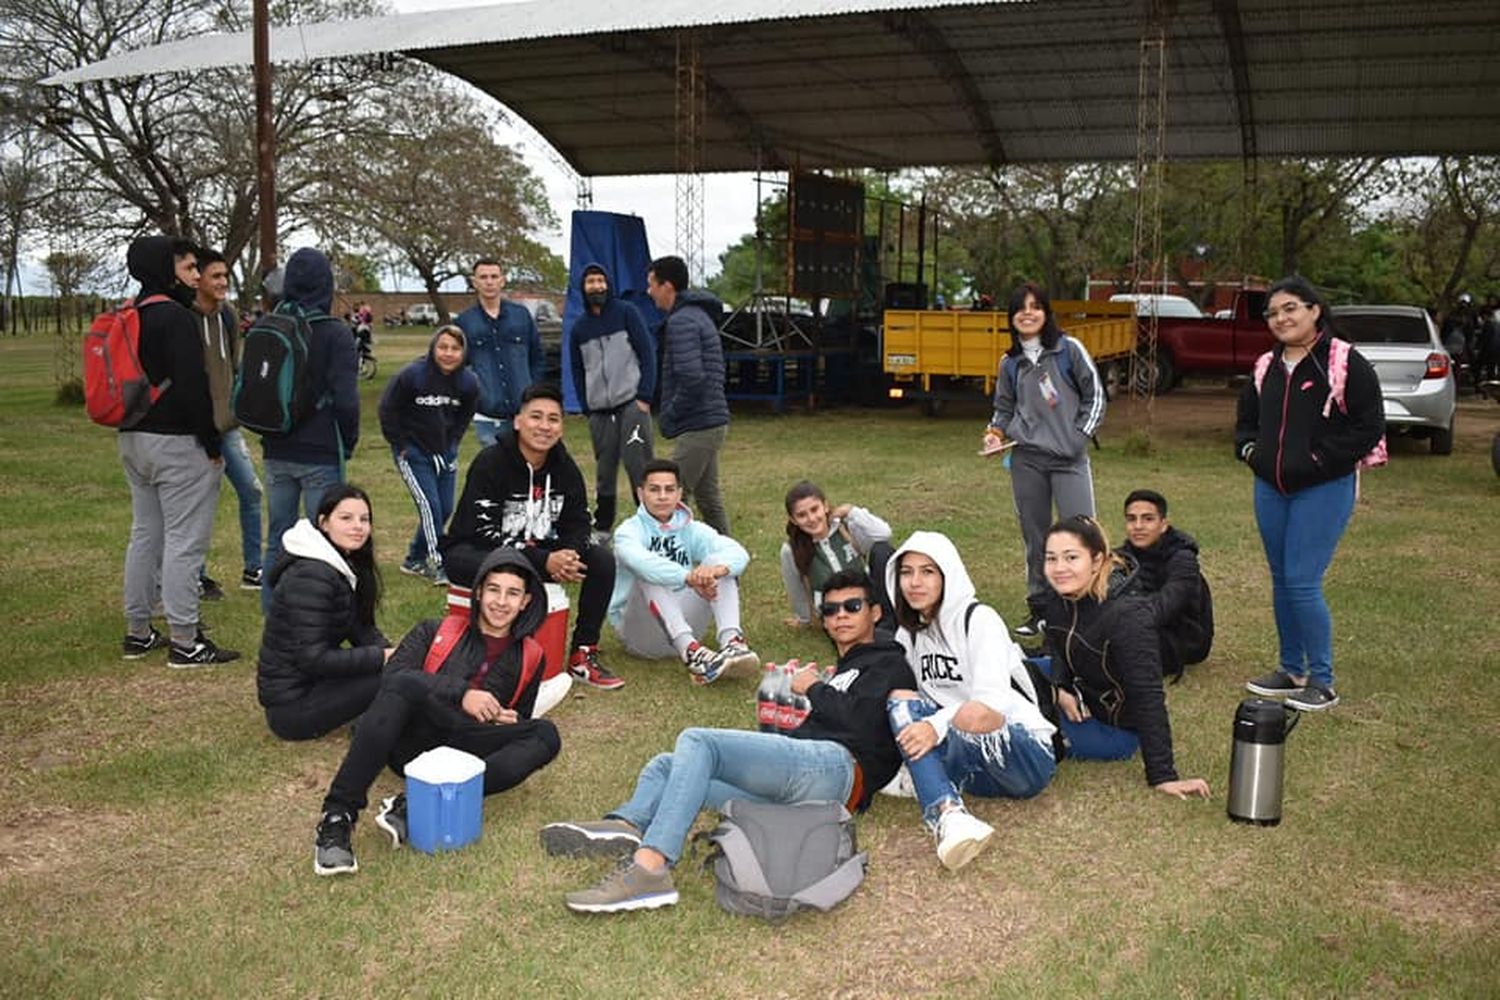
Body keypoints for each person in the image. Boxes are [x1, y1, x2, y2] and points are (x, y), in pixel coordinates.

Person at [540, 568, 915, 914]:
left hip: (839, 771)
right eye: (831, 610)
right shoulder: (846, 670)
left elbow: (864, 724)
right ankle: (627, 825)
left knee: (700, 743)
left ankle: (651, 868)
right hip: (803, 787)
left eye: (852, 606)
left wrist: (813, 687)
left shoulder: (888, 664)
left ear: (876, 613)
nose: (841, 616)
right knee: (667, 765)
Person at [312, 548, 561, 876]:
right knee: (403, 686)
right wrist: (463, 694)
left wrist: (505, 717)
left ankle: (417, 804)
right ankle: (337, 818)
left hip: (465, 751)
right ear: (478, 593)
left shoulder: (531, 655)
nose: (501, 602)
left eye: (512, 593)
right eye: (494, 590)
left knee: (545, 734)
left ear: (526, 601)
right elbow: (392, 678)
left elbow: (518, 721)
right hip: (414, 738)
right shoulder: (434, 630)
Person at [1235, 276, 1384, 712]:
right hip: (1270, 488)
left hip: (1323, 488)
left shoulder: (1344, 362)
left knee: (1302, 581)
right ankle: (1291, 670)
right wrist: (1250, 453)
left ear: (1314, 310)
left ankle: (1322, 681)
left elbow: (1368, 425)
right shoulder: (1266, 366)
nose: (1281, 319)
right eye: (1272, 313)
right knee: (1282, 579)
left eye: (1290, 309)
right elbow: (1246, 422)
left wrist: (1319, 461)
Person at [884, 531, 1058, 870]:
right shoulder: (908, 634)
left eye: (928, 571)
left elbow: (986, 711)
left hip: (1022, 754)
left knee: (965, 716)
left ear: (948, 574)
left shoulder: (979, 619)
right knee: (899, 700)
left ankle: (932, 791)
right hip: (976, 771)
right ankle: (950, 813)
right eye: (906, 572)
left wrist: (934, 726)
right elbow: (903, 699)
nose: (915, 582)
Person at [441, 383, 623, 691]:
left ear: (561, 427)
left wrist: (568, 554)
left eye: (553, 419)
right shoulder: (491, 462)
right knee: (463, 560)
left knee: (602, 560)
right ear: (518, 421)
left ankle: (582, 653)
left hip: (540, 551)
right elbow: (482, 532)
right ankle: (480, 648)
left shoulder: (565, 468)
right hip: (480, 550)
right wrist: (544, 560)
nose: (544, 426)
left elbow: (579, 522)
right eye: (536, 417)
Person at [117, 235, 239, 666]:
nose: (193, 277)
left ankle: (138, 630)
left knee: (145, 535)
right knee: (185, 542)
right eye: (188, 269)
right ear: (167, 270)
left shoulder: (131, 314)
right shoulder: (176, 319)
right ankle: (186, 640)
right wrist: (211, 443)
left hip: (133, 438)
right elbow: (193, 389)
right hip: (176, 443)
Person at [1038, 516, 1210, 799]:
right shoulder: (1059, 596)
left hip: (1112, 729)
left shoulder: (1128, 616)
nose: (1059, 568)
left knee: (1017, 711)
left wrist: (1163, 775)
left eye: (1071, 557)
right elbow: (1057, 643)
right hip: (1081, 692)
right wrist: (1060, 686)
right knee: (1008, 672)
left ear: (1097, 560)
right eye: (1051, 558)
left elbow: (1148, 695)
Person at [984, 281, 1105, 639]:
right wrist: (995, 434)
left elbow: (1095, 396)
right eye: (1020, 308)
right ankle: (1043, 609)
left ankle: (1087, 608)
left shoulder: (1069, 350)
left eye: (1035, 306)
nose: (1028, 313)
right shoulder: (1010, 363)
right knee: (1036, 538)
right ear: (1011, 317)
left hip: (1069, 460)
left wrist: (1077, 437)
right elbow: (1003, 409)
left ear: (1046, 313)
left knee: (1081, 533)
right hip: (1027, 461)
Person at [259, 248, 360, 613]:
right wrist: (348, 441)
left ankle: (274, 612)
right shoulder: (334, 333)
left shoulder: (269, 324)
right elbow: (347, 398)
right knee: (326, 541)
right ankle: (319, 615)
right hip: (319, 448)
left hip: (276, 446)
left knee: (279, 536)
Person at [258, 484, 392, 740]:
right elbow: (313, 659)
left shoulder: (339, 563)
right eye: (346, 518)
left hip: (313, 685)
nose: (358, 526)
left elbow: (360, 628)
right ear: (324, 522)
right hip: (292, 709)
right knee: (397, 681)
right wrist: (382, 657)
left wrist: (397, 655)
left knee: (399, 672)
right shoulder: (312, 575)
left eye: (364, 519)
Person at [608, 459, 759, 685]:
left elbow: (737, 552)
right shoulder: (628, 531)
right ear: (641, 493)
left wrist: (714, 571)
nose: (662, 496)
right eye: (654, 489)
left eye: (669, 489)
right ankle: (691, 653)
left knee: (719, 562)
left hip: (686, 622)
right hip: (640, 634)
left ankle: (732, 643)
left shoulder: (691, 529)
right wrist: (689, 577)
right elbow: (640, 561)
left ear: (679, 493)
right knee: (649, 572)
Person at [378, 324, 479, 586]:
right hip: (413, 452)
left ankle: (414, 558)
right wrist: (400, 443)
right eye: (443, 347)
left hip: (444, 451)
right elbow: (388, 408)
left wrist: (453, 441)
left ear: (463, 352)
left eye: (455, 349)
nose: (448, 354)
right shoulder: (413, 375)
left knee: (445, 508)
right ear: (433, 348)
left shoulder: (468, 382)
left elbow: (465, 414)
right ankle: (441, 562)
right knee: (429, 506)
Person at [191, 246, 264, 594]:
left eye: (225, 277)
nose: (223, 283)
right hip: (194, 429)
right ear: (198, 278)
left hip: (229, 426)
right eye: (215, 276)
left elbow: (234, 368)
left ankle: (254, 569)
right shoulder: (184, 317)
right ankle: (197, 574)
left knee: (251, 490)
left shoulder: (228, 316)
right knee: (200, 502)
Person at [569, 263, 657, 536]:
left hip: (631, 404)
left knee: (638, 466)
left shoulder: (626, 313)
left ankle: (651, 525)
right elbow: (576, 369)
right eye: (590, 282)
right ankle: (604, 528)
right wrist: (586, 406)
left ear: (608, 284)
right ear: (582, 288)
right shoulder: (579, 328)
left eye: (600, 280)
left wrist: (644, 396)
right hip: (599, 412)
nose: (596, 286)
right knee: (604, 472)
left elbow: (648, 354)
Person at [646, 255, 732, 535]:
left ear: (667, 286)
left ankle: (666, 568)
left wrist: (670, 413)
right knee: (709, 499)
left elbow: (692, 378)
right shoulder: (695, 316)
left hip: (700, 423)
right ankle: (729, 564)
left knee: (668, 500)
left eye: (652, 285)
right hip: (708, 420)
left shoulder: (682, 321)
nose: (649, 292)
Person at [1113, 489, 1214, 680]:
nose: (1138, 526)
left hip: (1183, 637)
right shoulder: (1120, 558)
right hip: (1138, 627)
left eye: (1148, 519)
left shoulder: (1183, 559)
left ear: (1163, 525)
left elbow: (1166, 606)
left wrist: (1116, 620)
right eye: (1131, 519)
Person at [454, 258, 545, 449]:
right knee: (496, 473)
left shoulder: (521, 315)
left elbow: (537, 358)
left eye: (494, 276)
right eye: (483, 277)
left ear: (502, 280)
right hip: (487, 417)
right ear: (474, 282)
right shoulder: (464, 323)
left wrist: (533, 393)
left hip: (524, 413)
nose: (489, 282)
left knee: (527, 470)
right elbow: (457, 368)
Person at [779, 480, 895, 629]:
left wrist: (851, 511)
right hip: (836, 610)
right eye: (802, 515)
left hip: (867, 595)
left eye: (815, 509)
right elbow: (795, 588)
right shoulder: (791, 549)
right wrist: (804, 618)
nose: (811, 519)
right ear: (793, 520)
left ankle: (889, 620)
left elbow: (884, 534)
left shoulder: (847, 527)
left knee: (882, 550)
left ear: (825, 506)